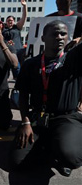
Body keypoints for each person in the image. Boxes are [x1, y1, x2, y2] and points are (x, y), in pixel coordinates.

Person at [10, 20, 82, 177]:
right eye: (54, 33)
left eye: (63, 34)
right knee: (17, 162)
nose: (59, 37)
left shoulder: (74, 59)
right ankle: (49, 147)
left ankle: (61, 153)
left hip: (66, 118)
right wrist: (26, 122)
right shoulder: (31, 64)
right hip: (38, 118)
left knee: (71, 158)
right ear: (43, 38)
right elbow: (23, 95)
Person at [0, 0, 27, 78]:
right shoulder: (3, 28)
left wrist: (24, 6)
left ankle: (18, 85)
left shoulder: (17, 27)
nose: (10, 21)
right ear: (6, 21)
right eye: (8, 20)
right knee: (6, 69)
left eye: (12, 20)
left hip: (18, 50)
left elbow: (24, 17)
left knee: (17, 69)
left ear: (14, 21)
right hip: (7, 51)